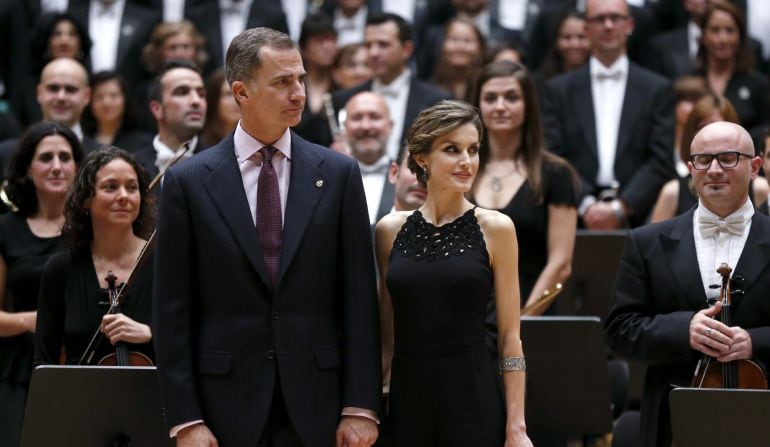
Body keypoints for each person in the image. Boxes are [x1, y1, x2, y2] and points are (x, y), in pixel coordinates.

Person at [152, 27, 381, 447]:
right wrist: (186, 420)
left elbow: (359, 299)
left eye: (300, 79)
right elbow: (172, 311)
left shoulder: (338, 174)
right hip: (223, 406)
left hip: (319, 404)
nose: (298, 93)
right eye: (282, 82)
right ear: (241, 92)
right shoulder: (186, 183)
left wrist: (360, 406)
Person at [376, 100, 532, 446]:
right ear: (421, 158)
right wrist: (378, 399)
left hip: (472, 396)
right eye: (452, 149)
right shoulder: (388, 230)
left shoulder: (497, 227)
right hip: (407, 398)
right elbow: (387, 334)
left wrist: (516, 426)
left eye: (473, 150)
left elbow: (510, 339)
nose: (467, 161)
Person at [605, 121, 770, 447]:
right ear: (690, 168)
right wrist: (685, 329)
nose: (714, 170)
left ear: (755, 167)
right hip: (673, 423)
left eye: (728, 158)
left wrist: (755, 341)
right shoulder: (646, 242)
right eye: (703, 160)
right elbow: (619, 330)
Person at [542, 0, 675, 228]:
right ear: (586, 28)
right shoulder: (558, 90)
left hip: (640, 216)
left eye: (616, 18)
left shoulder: (657, 88)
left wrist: (622, 206)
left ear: (629, 25)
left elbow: (660, 159)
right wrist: (586, 204)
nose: (608, 25)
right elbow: (553, 155)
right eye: (599, 19)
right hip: (573, 215)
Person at [0, 122, 83, 447]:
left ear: (78, 167)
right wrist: (33, 321)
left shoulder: (92, 229)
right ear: (28, 169)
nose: (57, 166)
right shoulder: (6, 229)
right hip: (17, 369)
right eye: (46, 157)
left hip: (80, 366)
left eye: (65, 157)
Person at [472, 60, 577, 313]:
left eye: (511, 97)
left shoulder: (555, 173)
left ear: (528, 104)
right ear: (478, 106)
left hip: (530, 314)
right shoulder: (462, 169)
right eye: (490, 98)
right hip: (466, 319)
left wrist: (521, 322)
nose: (500, 106)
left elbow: (561, 264)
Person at [34, 146, 155, 366]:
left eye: (132, 187)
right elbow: (43, 359)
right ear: (86, 200)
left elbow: (195, 337)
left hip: (156, 397)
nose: (124, 196)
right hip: (79, 398)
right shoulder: (61, 269)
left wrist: (150, 333)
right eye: (110, 187)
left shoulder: (164, 261)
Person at [333, 12, 451, 161]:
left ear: (407, 49)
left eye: (383, 44)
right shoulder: (343, 99)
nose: (373, 52)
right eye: (368, 45)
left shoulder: (438, 101)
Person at [651, 94, 769, 222]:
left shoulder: (760, 189)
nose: (712, 133)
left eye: (719, 126)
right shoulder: (672, 192)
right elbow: (656, 239)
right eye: (703, 127)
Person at [696, 0, 769, 138]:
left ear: (740, 36)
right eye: (715, 30)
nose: (723, 38)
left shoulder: (758, 85)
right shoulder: (691, 80)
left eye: (730, 30)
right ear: (703, 36)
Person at [133, 60, 207, 179]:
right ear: (157, 109)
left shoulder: (224, 164)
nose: (196, 101)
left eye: (201, 94)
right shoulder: (132, 167)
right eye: (182, 92)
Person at [343, 91, 394, 226]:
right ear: (344, 127)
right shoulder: (328, 176)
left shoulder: (408, 176)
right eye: (357, 118)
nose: (365, 126)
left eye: (375, 117)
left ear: (390, 126)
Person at [82, 71, 152, 153]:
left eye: (113, 95)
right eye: (99, 97)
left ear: (125, 99)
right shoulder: (81, 141)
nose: (106, 103)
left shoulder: (145, 143)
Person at [430, 17, 487, 102]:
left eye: (467, 41)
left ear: (480, 48)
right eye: (454, 39)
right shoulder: (428, 88)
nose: (460, 47)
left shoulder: (487, 86)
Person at [538, 9, 590, 81]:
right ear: (556, 42)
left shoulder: (602, 79)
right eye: (567, 37)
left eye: (581, 37)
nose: (574, 44)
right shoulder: (540, 82)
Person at [200, 69, 240, 148]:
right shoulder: (199, 146)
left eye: (241, 93)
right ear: (215, 100)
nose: (237, 100)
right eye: (229, 94)